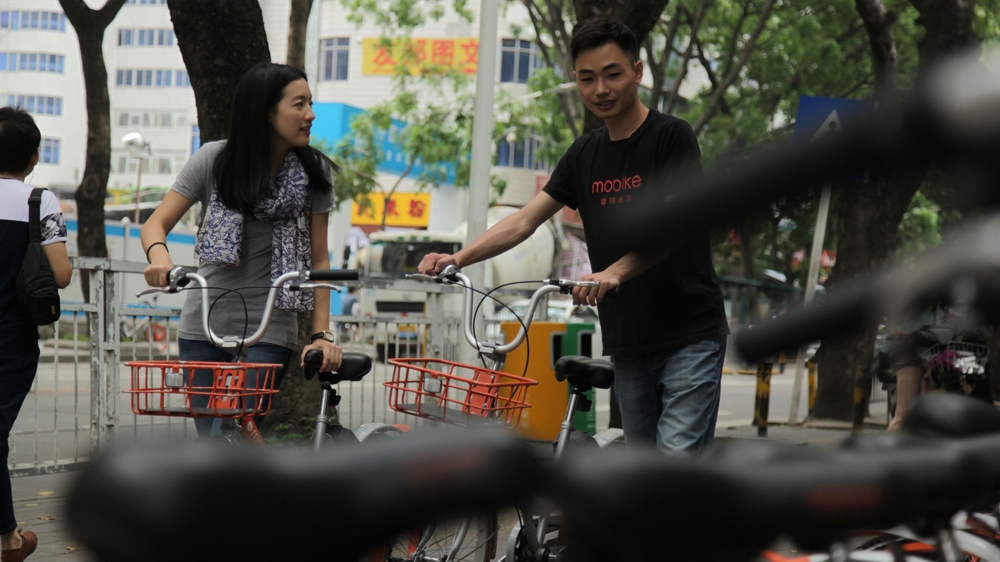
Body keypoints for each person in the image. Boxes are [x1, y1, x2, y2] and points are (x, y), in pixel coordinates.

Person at [417, 18, 729, 454]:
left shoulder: (670, 137)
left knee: (673, 470)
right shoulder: (584, 153)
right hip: (629, 339)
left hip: (691, 334)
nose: (600, 88)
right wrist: (459, 257)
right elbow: (525, 220)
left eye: (612, 74)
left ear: (637, 72)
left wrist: (613, 273)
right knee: (644, 477)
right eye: (587, 78)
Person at [141, 63, 343, 437]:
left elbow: (319, 261)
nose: (310, 115)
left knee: (233, 432)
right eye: (299, 105)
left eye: (310, 103)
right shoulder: (214, 161)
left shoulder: (314, 173)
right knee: (214, 438)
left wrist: (321, 335)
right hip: (203, 327)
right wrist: (160, 260)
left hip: (270, 330)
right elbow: (155, 224)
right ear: (267, 112)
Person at [0, 106, 72, 562]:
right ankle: (8, 539)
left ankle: (8, 539)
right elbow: (60, 275)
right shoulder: (38, 202)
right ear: (33, 156)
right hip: (13, 339)